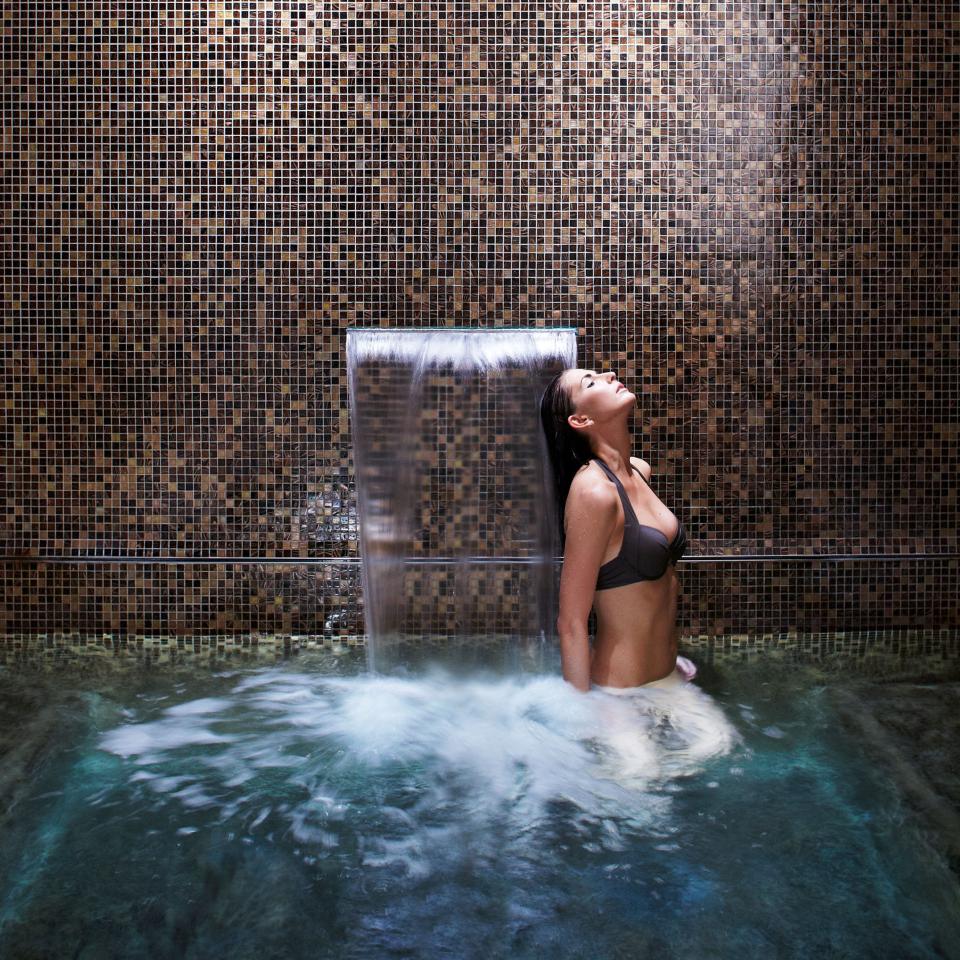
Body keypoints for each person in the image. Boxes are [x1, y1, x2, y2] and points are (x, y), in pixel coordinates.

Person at [539, 367, 694, 693]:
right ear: (580, 420)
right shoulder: (594, 493)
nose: (609, 374)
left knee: (727, 746)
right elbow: (570, 623)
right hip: (620, 696)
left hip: (668, 681)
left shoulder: (639, 471)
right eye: (590, 381)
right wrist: (584, 716)